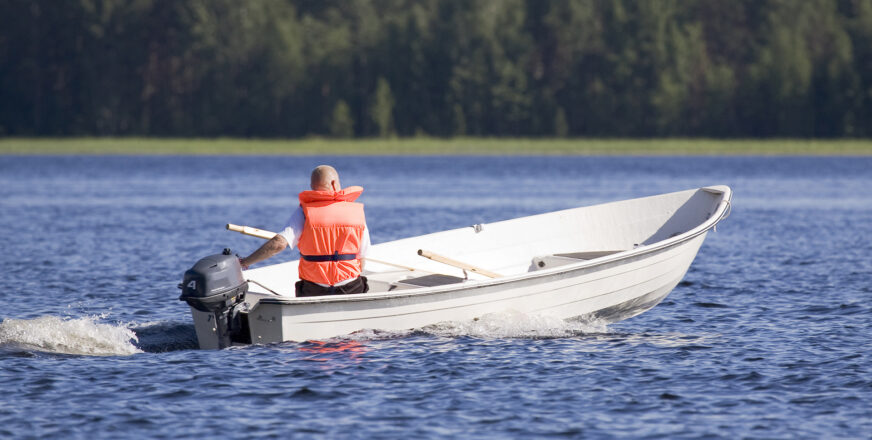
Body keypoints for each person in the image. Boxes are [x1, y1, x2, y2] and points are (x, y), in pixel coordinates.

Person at [239, 165, 370, 297]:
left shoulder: (304, 212)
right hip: (350, 287)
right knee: (362, 281)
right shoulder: (356, 213)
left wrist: (245, 262)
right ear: (334, 183)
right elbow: (362, 258)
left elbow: (279, 244)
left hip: (314, 288)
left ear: (313, 186)